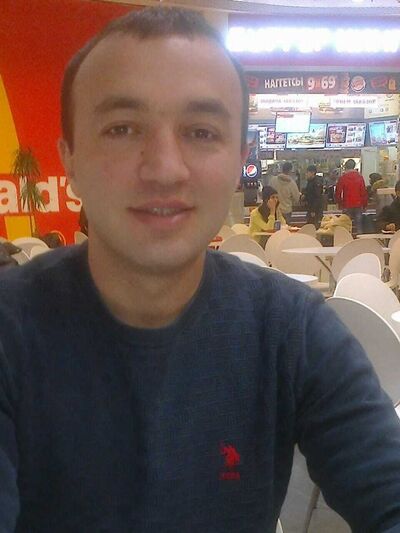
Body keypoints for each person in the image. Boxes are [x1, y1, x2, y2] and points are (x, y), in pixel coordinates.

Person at [1, 7, 400, 533]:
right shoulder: (11, 327)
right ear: (69, 158)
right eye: (122, 128)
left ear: (239, 161)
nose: (165, 168)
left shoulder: (290, 329)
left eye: (202, 132)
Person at [335, 159, 368, 234]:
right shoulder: (360, 177)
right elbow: (363, 192)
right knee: (359, 225)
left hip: (347, 204)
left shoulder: (343, 178)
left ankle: (346, 238)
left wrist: (339, 203)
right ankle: (360, 239)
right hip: (358, 204)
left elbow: (338, 192)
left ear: (346, 167)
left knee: (346, 225)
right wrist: (365, 205)